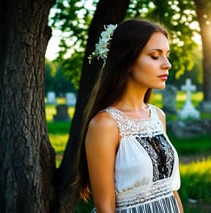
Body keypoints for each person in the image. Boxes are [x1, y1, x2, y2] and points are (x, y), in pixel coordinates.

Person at [74, 19, 184, 213]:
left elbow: (171, 191)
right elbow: (105, 208)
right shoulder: (105, 124)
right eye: (155, 56)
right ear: (127, 62)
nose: (167, 64)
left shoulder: (158, 116)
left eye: (167, 55)